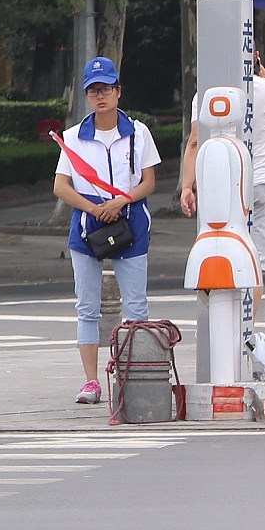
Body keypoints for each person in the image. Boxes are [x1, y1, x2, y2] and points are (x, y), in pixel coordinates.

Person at [51, 56, 160, 405]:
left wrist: (119, 201)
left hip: (130, 220)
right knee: (87, 306)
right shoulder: (73, 137)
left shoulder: (138, 132)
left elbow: (149, 181)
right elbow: (61, 186)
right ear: (86, 95)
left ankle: (133, 375)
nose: (101, 96)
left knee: (136, 307)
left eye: (106, 89)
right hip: (88, 224)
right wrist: (93, 207)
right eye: (93, 90)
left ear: (118, 92)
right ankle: (91, 382)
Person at [179, 60, 265, 274]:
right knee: (258, 266)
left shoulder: (204, 95)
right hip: (260, 181)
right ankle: (249, 308)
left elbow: (194, 141)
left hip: (218, 187)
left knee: (220, 254)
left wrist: (188, 186)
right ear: (255, 58)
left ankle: (223, 306)